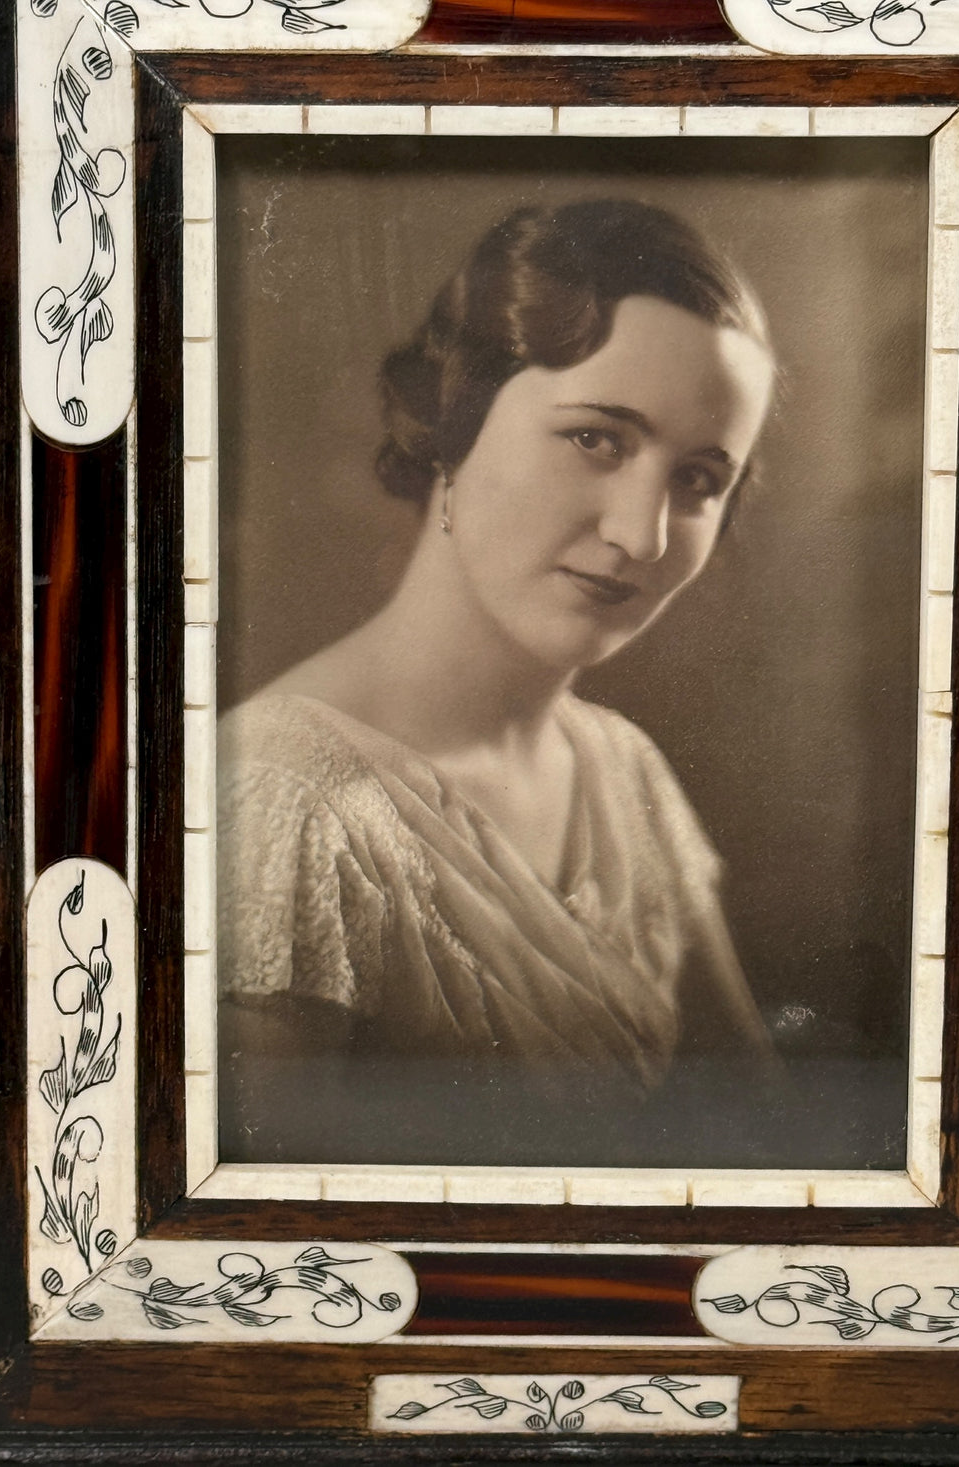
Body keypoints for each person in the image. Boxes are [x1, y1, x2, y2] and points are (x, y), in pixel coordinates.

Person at [217, 198, 777, 1166]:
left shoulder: (619, 768)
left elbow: (768, 1140)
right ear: (451, 420)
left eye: (696, 480)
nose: (638, 537)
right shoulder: (280, 803)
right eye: (596, 438)